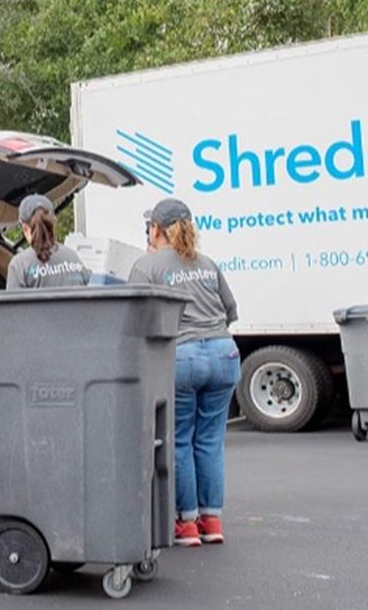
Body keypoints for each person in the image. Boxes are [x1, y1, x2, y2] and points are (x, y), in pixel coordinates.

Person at [128, 197, 238, 547]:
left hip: (182, 356)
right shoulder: (206, 263)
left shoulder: (147, 266)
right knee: (209, 442)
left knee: (178, 440)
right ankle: (212, 520)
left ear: (156, 229)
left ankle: (186, 524)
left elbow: (132, 317)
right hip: (224, 353)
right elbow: (231, 310)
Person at [5, 194, 91, 290]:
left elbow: (14, 304)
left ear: (25, 228)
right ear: (53, 223)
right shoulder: (73, 257)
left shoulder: (19, 265)